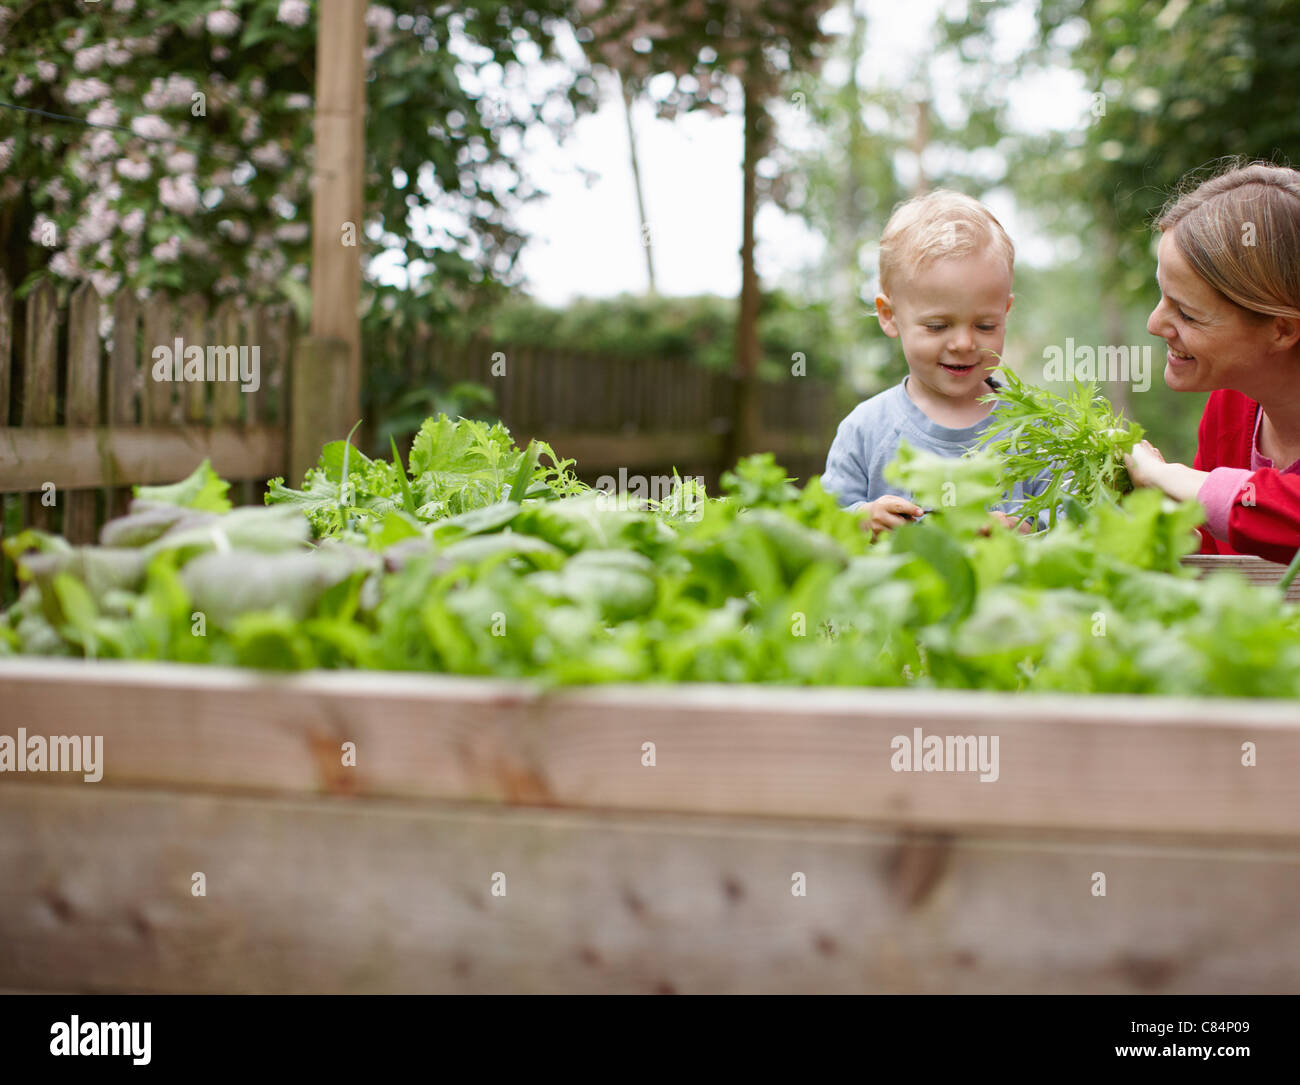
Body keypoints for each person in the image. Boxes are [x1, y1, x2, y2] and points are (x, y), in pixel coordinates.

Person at [822, 189, 1048, 534]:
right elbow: (823, 524)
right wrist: (861, 519)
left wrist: (1022, 532)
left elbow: (1069, 526)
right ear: (889, 316)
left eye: (985, 325)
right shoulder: (865, 431)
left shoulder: (1034, 430)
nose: (963, 343)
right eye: (938, 326)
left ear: (1005, 312)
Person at [1125, 161, 1300, 565]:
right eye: (1162, 296)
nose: (1155, 324)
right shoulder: (1230, 408)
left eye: (1186, 314)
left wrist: (1167, 476)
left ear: (1282, 330)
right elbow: (1217, 559)